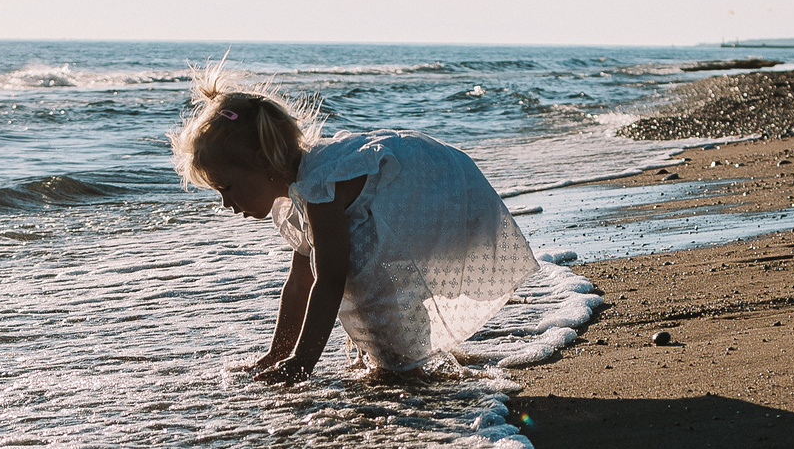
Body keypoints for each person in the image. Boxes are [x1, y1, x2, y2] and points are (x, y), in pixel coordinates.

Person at [171, 76, 540, 380]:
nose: (225, 202)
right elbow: (300, 283)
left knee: (354, 273)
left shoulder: (319, 185)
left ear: (262, 162)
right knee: (346, 262)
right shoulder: (300, 194)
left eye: (226, 187)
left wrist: (302, 363)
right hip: (429, 192)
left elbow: (329, 280)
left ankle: (406, 366)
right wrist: (277, 354)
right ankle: (401, 360)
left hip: (443, 194)